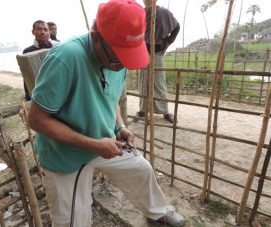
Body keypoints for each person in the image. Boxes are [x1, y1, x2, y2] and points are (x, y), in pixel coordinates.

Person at [28, 0, 185, 226]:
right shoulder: (65, 58)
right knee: (74, 219)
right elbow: (37, 119)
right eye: (117, 57)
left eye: (128, 57)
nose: (121, 65)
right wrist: (93, 144)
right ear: (95, 36)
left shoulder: (117, 62)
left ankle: (157, 213)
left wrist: (120, 126)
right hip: (65, 155)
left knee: (141, 169)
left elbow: (111, 99)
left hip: (104, 142)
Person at [137, 0, 180, 123]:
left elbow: (177, 27)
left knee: (159, 81)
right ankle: (143, 109)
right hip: (143, 52)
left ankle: (165, 111)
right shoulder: (141, 13)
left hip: (157, 52)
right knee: (144, 81)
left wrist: (167, 42)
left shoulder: (164, 12)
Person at [23, 20, 52, 101]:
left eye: (45, 30)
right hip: (38, 94)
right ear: (33, 32)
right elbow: (27, 76)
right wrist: (28, 96)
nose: (43, 32)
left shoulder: (56, 48)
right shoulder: (28, 51)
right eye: (39, 29)